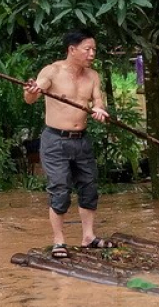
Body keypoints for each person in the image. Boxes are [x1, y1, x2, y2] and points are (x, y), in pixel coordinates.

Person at [23, 29, 113, 259]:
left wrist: (100, 110)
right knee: (60, 189)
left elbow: (99, 100)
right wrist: (32, 90)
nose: (92, 54)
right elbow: (33, 96)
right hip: (55, 141)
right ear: (72, 50)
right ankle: (59, 241)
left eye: (94, 49)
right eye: (87, 49)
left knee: (89, 186)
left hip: (81, 140)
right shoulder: (52, 71)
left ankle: (88, 237)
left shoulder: (93, 76)